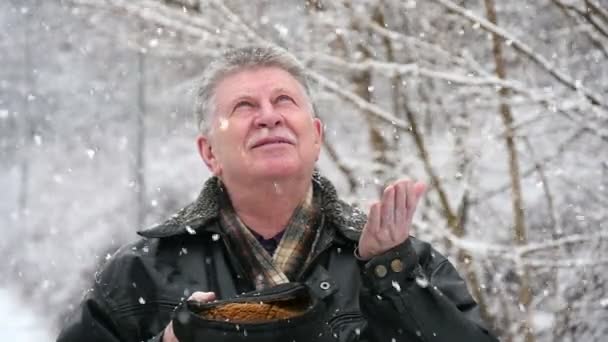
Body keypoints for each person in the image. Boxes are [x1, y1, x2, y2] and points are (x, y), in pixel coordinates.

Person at [57, 45, 497, 342]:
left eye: (284, 101)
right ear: (209, 151)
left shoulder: (396, 262)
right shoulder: (144, 274)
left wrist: (393, 281)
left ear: (317, 134)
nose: (269, 117)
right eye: (244, 107)